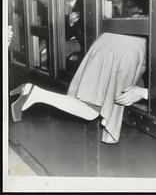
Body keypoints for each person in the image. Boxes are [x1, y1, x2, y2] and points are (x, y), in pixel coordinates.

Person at [10, 33, 147, 144]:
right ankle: (36, 93)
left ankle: (34, 92)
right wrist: (144, 93)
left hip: (105, 40)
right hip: (129, 50)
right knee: (90, 112)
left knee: (90, 110)